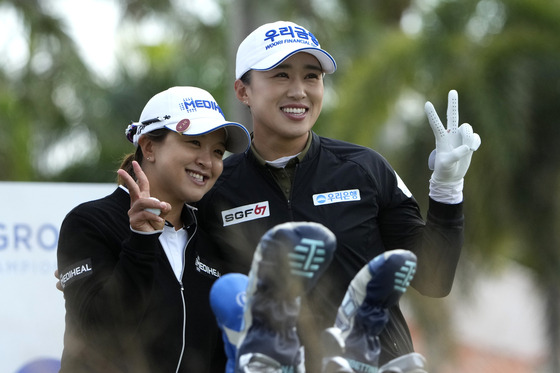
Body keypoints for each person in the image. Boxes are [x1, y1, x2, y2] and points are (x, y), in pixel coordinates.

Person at [195, 20, 481, 372]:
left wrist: (447, 189)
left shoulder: (365, 168)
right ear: (243, 91)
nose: (299, 91)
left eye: (312, 76)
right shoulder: (215, 191)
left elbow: (434, 279)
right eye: (281, 75)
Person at [56, 86, 251, 373]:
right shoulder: (88, 221)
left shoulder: (210, 240)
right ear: (149, 147)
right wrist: (141, 241)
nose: (207, 161)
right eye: (194, 143)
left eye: (218, 151)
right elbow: (98, 332)